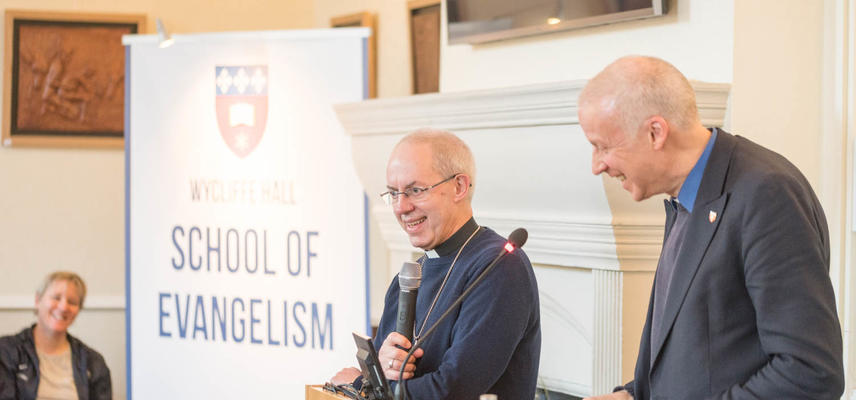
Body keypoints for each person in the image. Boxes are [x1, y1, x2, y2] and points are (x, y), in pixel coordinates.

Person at [578, 55, 844, 399]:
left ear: (656, 132)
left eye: (602, 147)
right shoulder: (686, 200)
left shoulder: (766, 193)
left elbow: (810, 372)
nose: (597, 165)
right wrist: (632, 395)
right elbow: (704, 358)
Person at [330, 129, 541, 398]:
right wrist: (381, 371)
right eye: (394, 193)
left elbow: (453, 389)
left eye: (415, 190)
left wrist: (363, 386)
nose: (400, 207)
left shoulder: (499, 267)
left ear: (459, 187)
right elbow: (384, 384)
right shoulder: (408, 278)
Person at [0, 271, 112, 400]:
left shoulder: (93, 362)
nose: (63, 307)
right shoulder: (6, 352)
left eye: (72, 302)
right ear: (38, 300)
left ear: (78, 310)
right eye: (56, 298)